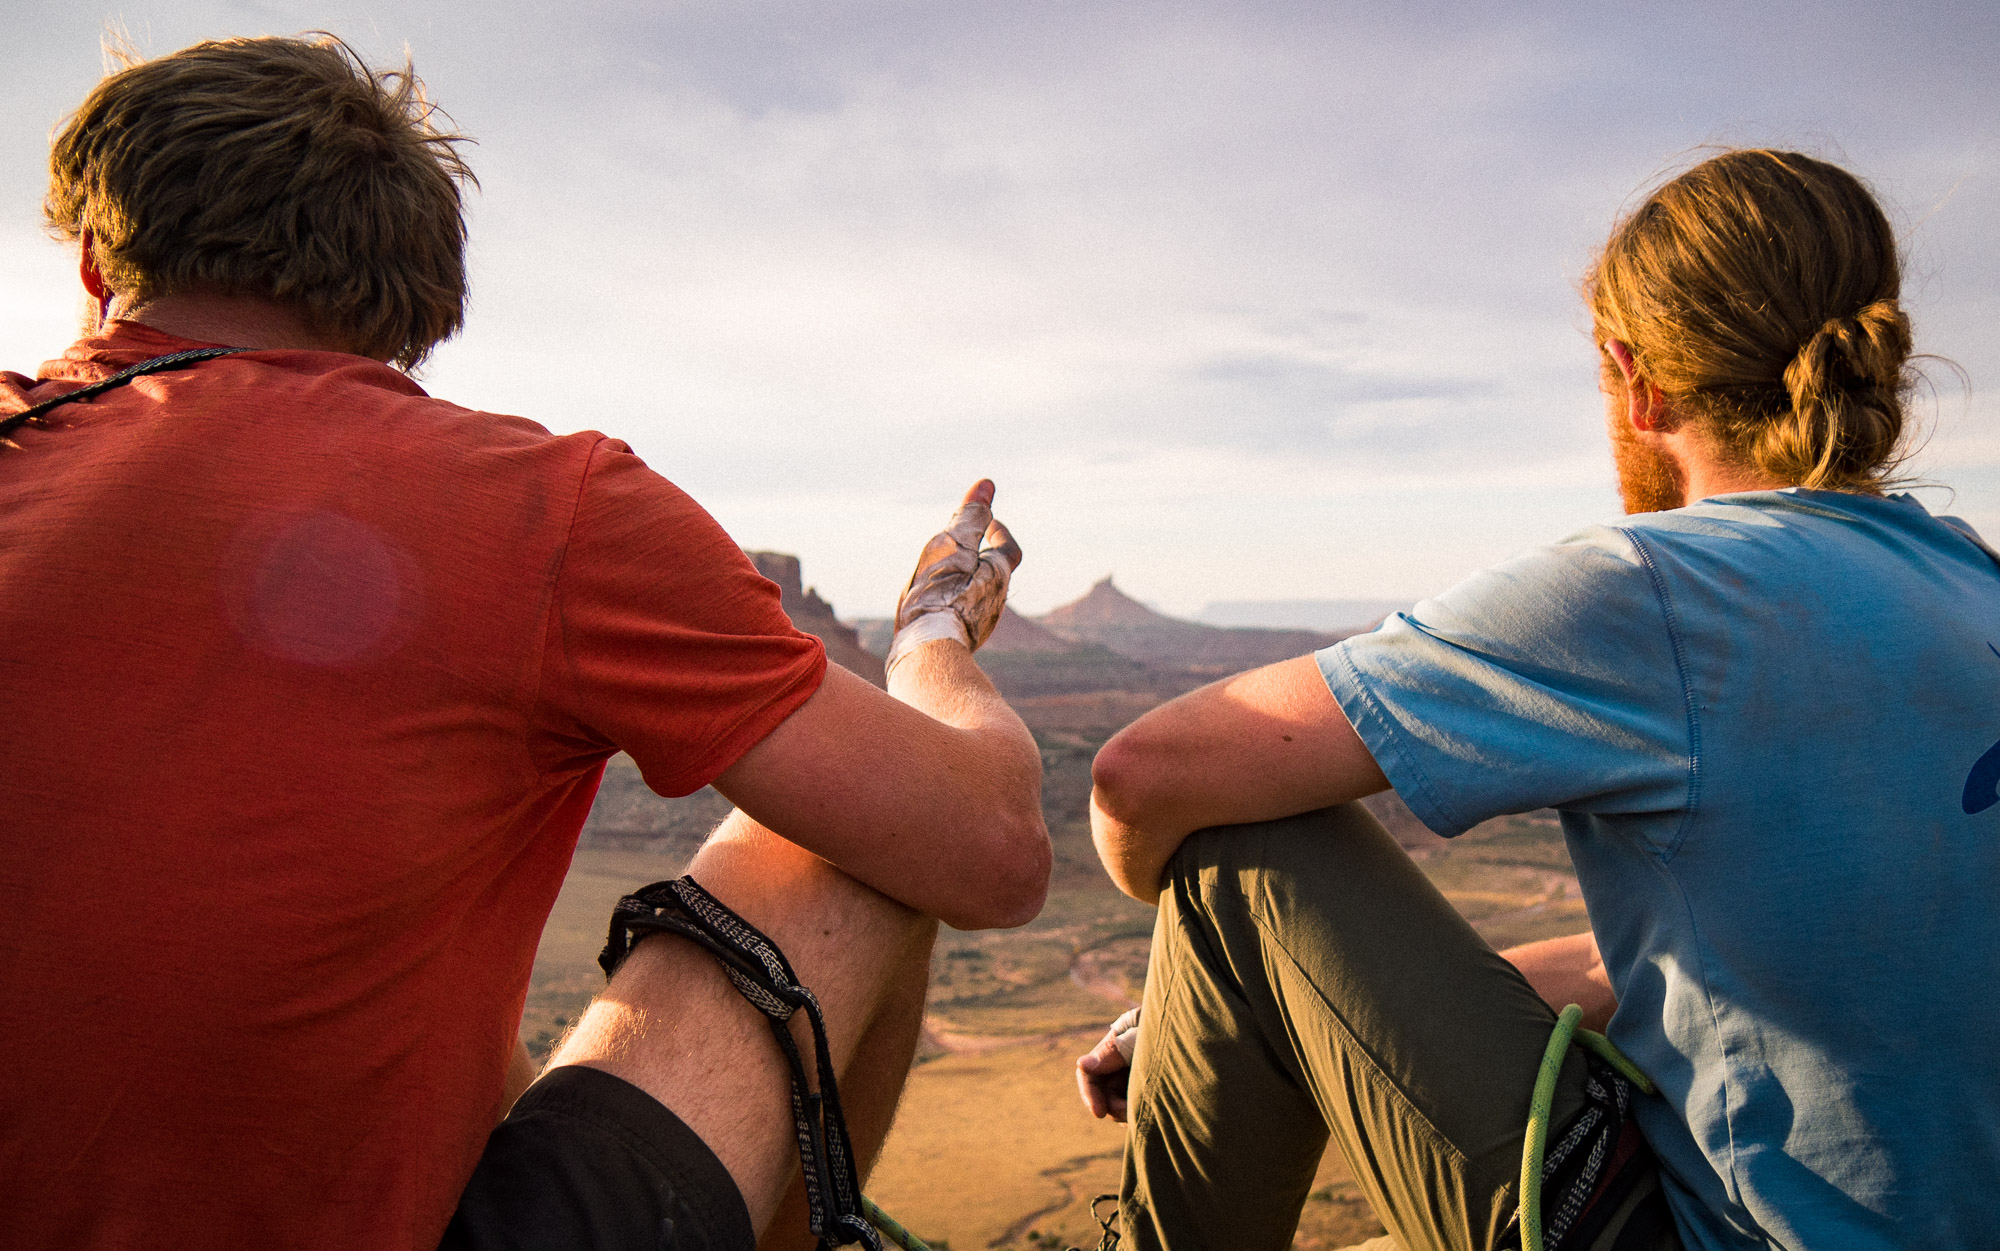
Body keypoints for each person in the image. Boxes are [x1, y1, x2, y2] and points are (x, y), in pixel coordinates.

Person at [0, 35, 1050, 1251]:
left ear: (91, 259)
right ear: (417, 298)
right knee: (857, 834)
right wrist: (932, 636)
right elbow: (988, 853)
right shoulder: (542, 505)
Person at [1076, 149, 2000, 1251]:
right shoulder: (1970, 580)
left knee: (1242, 858)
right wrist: (1267, 1010)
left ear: (1634, 376)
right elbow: (1694, 967)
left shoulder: (1658, 588)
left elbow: (1142, 777)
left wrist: (1192, 964)